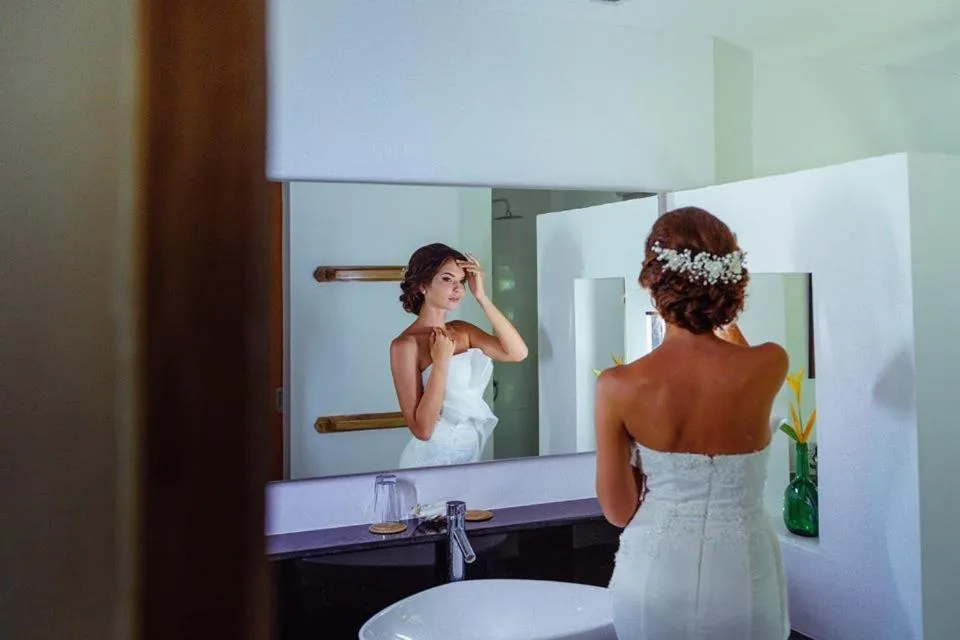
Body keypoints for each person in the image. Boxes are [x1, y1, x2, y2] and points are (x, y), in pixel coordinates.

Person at [596, 207, 790, 639]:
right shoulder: (770, 362)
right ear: (731, 279)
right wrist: (718, 312)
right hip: (744, 575)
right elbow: (733, 346)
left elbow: (618, 511)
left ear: (652, 283)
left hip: (655, 574)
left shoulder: (619, 385)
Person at [390, 243, 528, 469]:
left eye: (461, 281)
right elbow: (423, 430)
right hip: (428, 463)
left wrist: (481, 296)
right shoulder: (406, 345)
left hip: (470, 458)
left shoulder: (463, 330)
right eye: (447, 279)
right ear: (424, 285)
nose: (458, 289)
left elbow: (518, 352)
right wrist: (441, 362)